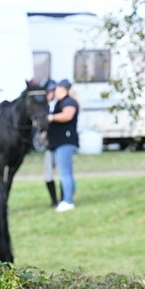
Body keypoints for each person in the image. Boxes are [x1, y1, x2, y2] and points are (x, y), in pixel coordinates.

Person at [46, 80, 80, 212]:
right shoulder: (60, 102)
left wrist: (51, 118)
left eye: (58, 89)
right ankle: (67, 197)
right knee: (67, 172)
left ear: (64, 89)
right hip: (60, 142)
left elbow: (67, 116)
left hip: (65, 142)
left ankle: (67, 200)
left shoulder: (68, 102)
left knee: (65, 172)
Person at [40, 80, 59, 207]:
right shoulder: (46, 106)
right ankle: (54, 200)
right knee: (48, 174)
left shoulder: (60, 104)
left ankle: (64, 199)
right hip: (50, 144)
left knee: (62, 172)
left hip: (58, 143)